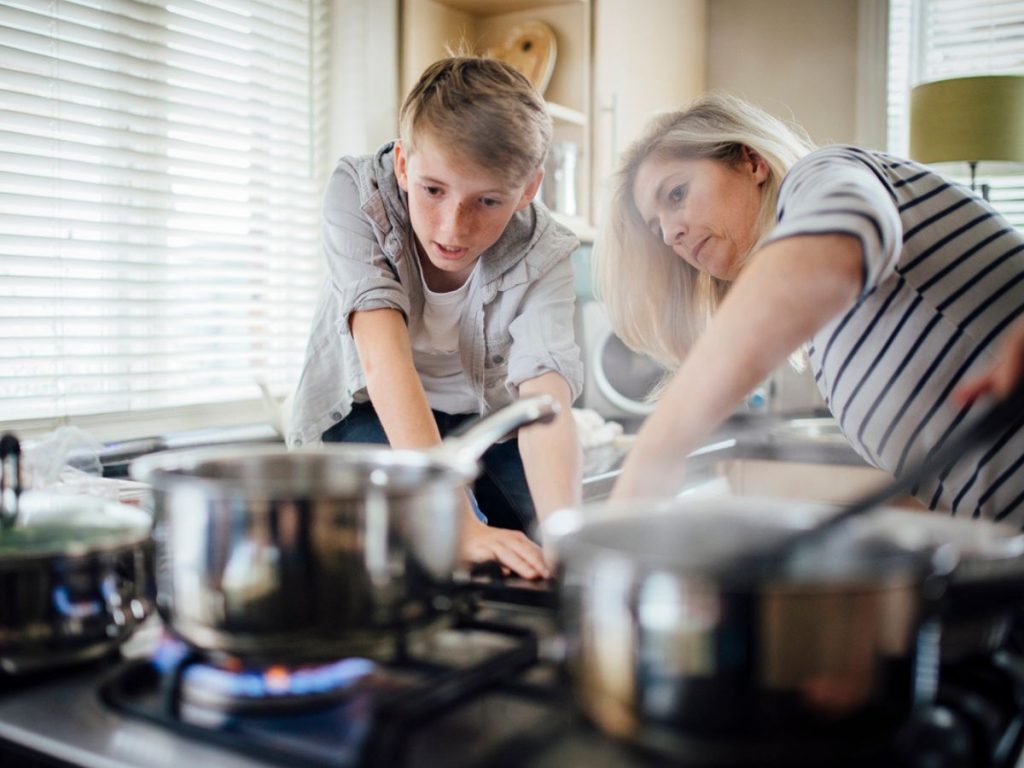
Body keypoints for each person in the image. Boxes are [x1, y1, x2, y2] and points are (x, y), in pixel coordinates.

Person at [594, 93, 1024, 526]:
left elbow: (841, 232)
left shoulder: (821, 173)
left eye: (677, 194)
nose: (670, 234)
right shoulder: (829, 341)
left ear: (751, 161)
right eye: (656, 227)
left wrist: (658, 448)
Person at [288, 56, 583, 578]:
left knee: (547, 547)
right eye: (433, 191)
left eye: (488, 201)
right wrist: (457, 520)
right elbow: (383, 360)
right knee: (431, 543)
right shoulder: (358, 196)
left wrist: (567, 540)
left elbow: (543, 400)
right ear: (403, 164)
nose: (453, 227)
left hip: (483, 419)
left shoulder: (546, 251)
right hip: (370, 411)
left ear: (528, 190)